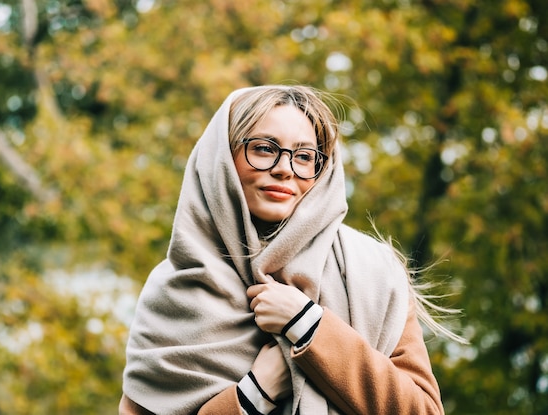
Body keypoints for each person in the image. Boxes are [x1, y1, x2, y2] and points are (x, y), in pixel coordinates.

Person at [119, 85, 460, 414]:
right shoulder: (175, 290)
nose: (284, 168)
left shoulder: (372, 271)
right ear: (222, 157)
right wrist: (254, 393)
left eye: (304, 156)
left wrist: (309, 325)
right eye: (264, 148)